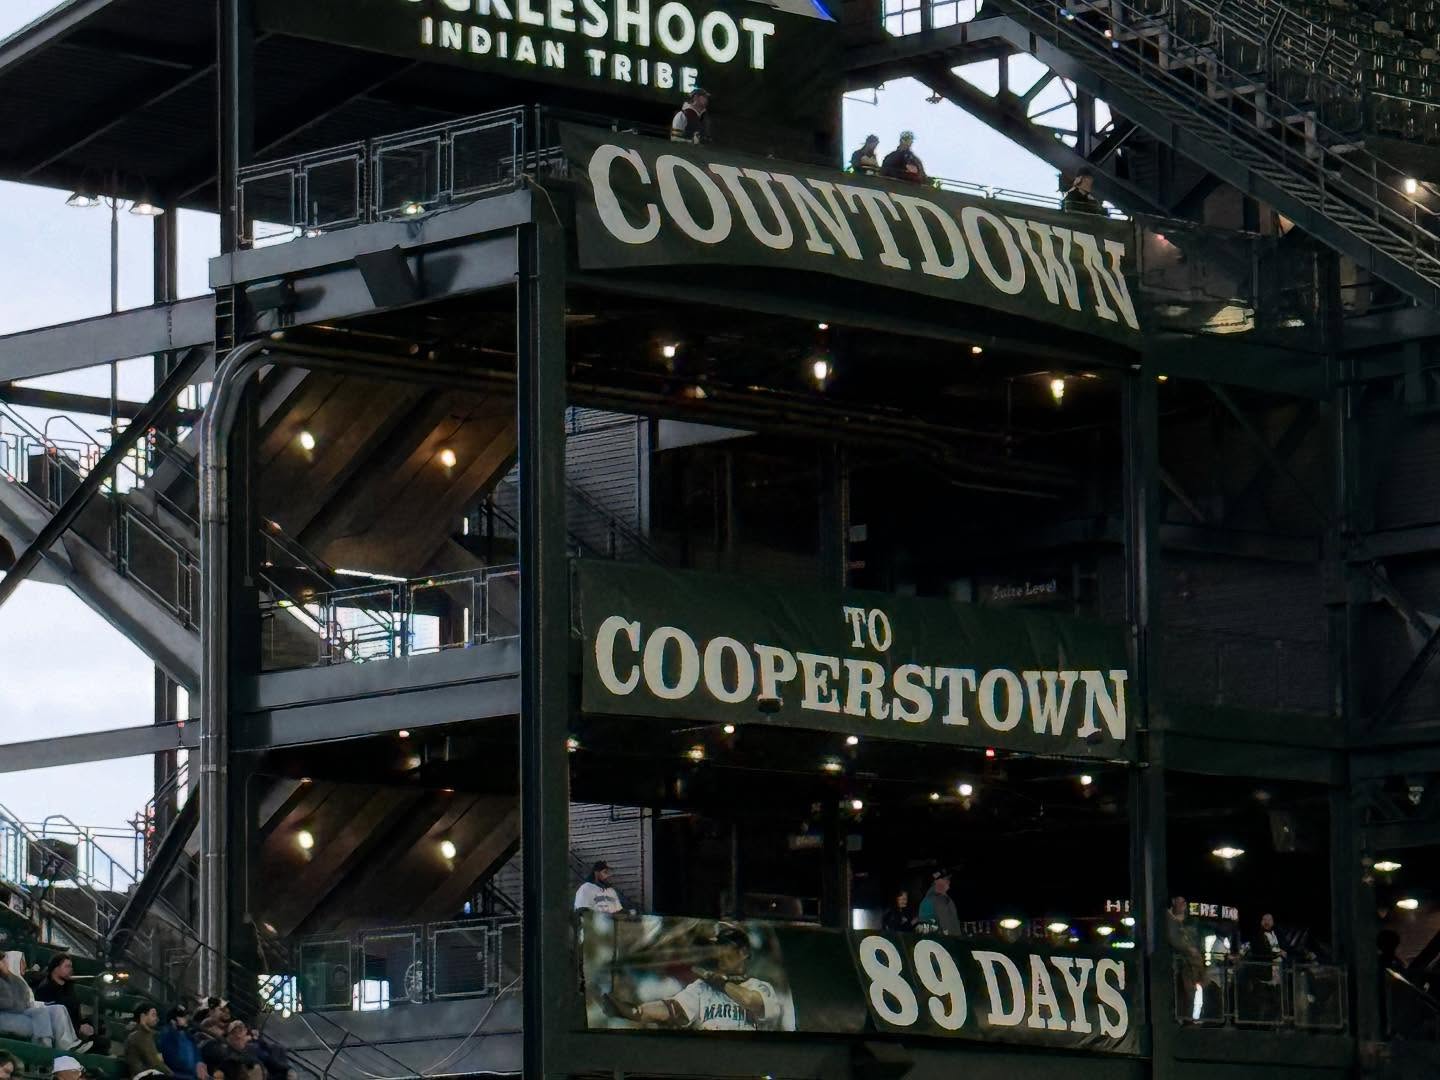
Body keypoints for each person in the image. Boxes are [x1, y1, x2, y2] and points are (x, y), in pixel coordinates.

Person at [601, 923, 783, 1031]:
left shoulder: (759, 986)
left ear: (743, 952)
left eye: (725, 947)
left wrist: (717, 981)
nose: (719, 953)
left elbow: (750, 1001)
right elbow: (672, 1010)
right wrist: (634, 1012)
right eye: (717, 948)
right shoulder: (703, 987)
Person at [0, 953, 83, 1050]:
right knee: (41, 1013)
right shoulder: (4, 981)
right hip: (9, 1015)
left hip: (23, 1010)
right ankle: (45, 1048)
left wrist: (41, 1004)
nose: (25, 967)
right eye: (21, 963)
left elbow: (27, 1001)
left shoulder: (17, 981)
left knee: (59, 1008)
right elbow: (10, 1003)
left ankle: (67, 1044)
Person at [33, 955, 108, 1055]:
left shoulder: (68, 987)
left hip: (75, 1028)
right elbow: (55, 1018)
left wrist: (83, 1025)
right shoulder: (46, 989)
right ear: (56, 968)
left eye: (71, 967)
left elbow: (75, 1013)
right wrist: (78, 1028)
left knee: (102, 1031)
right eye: (67, 966)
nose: (71, 970)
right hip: (61, 1032)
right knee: (99, 1044)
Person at [1166, 896, 1206, 1020]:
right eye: (1180, 901)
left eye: (1185, 902)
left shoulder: (1189, 921)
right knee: (1180, 993)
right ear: (1173, 901)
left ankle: (1189, 1018)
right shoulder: (1168, 919)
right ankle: (1183, 1018)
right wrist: (1189, 949)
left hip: (1189, 966)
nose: (1183, 904)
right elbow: (1174, 940)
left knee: (1190, 993)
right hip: (1176, 964)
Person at [157, 1006, 208, 1080]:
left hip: (193, 1074)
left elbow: (196, 1052)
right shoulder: (167, 1036)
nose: (186, 1018)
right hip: (180, 1075)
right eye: (182, 1017)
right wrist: (194, 1070)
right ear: (173, 1021)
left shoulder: (187, 1034)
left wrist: (199, 1063)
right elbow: (172, 1061)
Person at [125, 1003, 171, 1080]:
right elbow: (154, 1062)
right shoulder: (138, 1036)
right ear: (143, 1017)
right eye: (153, 1015)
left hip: (153, 1075)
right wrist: (171, 1074)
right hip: (143, 1076)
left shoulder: (149, 1035)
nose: (157, 1018)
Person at [916, 869, 960, 935]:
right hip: (942, 943)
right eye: (946, 879)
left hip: (955, 941)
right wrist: (940, 931)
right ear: (936, 881)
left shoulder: (947, 899)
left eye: (949, 878)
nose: (949, 881)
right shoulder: (928, 901)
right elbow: (922, 929)